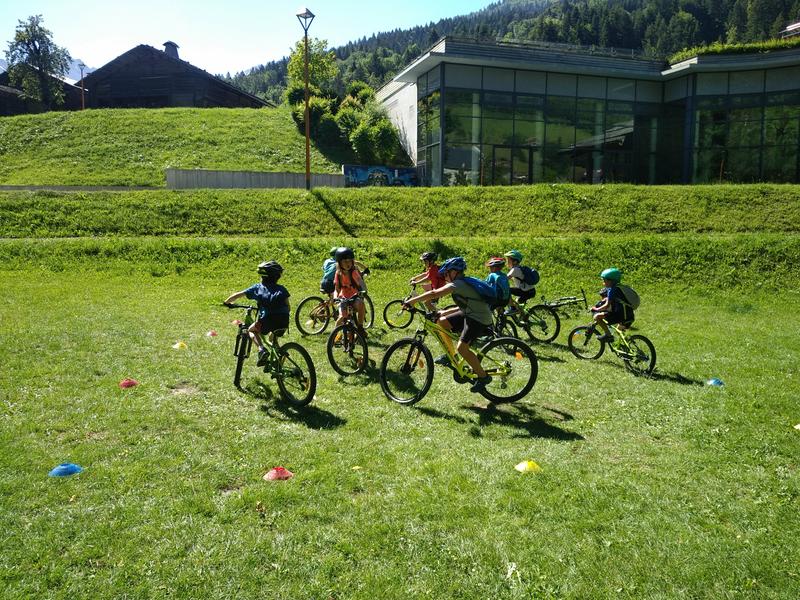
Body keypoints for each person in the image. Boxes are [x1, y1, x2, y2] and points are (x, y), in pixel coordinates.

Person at [403, 256, 493, 393]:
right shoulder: (461, 284)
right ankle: (450, 355)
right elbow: (464, 306)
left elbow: (434, 293)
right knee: (442, 321)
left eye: (446, 273)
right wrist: (443, 312)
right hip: (470, 313)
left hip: (478, 318)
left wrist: (412, 301)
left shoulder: (457, 284)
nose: (445, 276)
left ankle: (483, 377)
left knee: (462, 348)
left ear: (454, 272)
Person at [224, 261, 290, 366]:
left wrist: (226, 302)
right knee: (273, 336)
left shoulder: (257, 287)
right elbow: (288, 306)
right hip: (284, 320)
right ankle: (279, 356)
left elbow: (238, 295)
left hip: (267, 320)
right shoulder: (282, 289)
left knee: (251, 330)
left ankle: (261, 350)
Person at [590, 267, 634, 342]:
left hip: (621, 316)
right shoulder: (620, 287)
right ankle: (628, 346)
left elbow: (607, 305)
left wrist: (596, 309)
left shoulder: (612, 290)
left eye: (604, 280)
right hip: (629, 315)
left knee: (597, 317)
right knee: (619, 331)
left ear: (611, 281)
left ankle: (608, 335)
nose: (603, 283)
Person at [333, 247, 367, 335]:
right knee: (341, 317)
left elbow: (360, 281)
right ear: (340, 263)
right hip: (343, 298)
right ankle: (333, 336)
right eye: (345, 261)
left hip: (354, 296)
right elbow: (336, 288)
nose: (348, 264)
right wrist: (335, 297)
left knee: (361, 305)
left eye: (349, 261)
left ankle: (360, 326)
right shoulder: (338, 274)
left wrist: (364, 290)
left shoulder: (353, 272)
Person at [504, 249, 536, 315]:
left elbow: (504, 279)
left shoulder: (515, 270)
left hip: (525, 292)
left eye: (508, 260)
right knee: (518, 304)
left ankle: (513, 308)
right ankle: (524, 318)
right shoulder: (519, 268)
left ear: (515, 262)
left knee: (506, 290)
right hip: (531, 291)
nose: (507, 262)